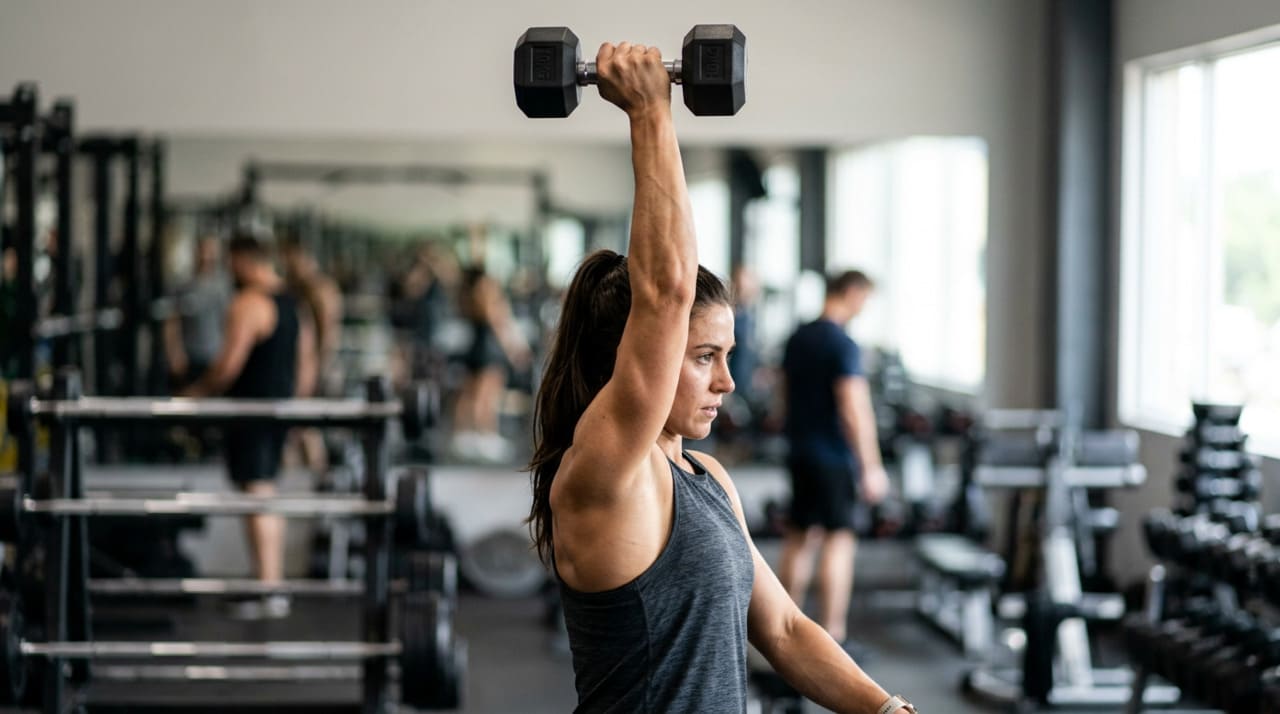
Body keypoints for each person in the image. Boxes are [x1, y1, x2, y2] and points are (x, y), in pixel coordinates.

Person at [526, 42, 914, 714]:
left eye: (727, 356)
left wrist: (886, 709)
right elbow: (667, 292)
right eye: (704, 356)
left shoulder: (707, 480)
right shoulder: (604, 472)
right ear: (635, 355)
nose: (727, 382)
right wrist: (651, 112)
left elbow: (786, 631)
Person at [182, 233, 316, 619]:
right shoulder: (293, 305)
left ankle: (269, 589)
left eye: (229, 262)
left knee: (257, 494)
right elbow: (305, 364)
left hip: (252, 412)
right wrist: (297, 411)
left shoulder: (249, 303)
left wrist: (195, 395)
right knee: (264, 494)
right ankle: (267, 582)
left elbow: (228, 365)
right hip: (277, 411)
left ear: (242, 260)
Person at [777, 270, 889, 648]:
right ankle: (832, 636)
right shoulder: (842, 343)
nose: (864, 308)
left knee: (799, 537)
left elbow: (782, 393)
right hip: (833, 457)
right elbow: (854, 408)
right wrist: (871, 466)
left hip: (800, 451)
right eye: (865, 299)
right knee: (838, 540)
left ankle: (783, 633)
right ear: (852, 292)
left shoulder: (798, 337)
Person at [450, 267, 531, 462]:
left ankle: (464, 435)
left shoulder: (470, 295)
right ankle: (486, 437)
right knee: (487, 396)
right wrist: (514, 350)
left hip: (477, 345)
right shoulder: (489, 292)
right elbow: (499, 322)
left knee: (471, 394)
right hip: (490, 348)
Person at [164, 236, 230, 391]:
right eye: (203, 251)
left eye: (210, 252)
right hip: (190, 356)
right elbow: (172, 321)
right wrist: (175, 353)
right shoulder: (183, 285)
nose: (206, 256)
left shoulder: (223, 286)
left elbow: (229, 321)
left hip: (214, 356)